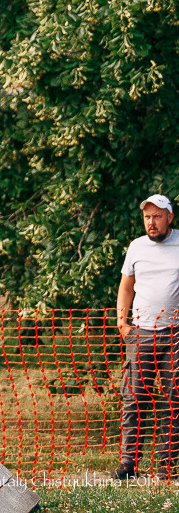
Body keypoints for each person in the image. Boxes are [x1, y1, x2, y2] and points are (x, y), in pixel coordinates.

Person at [115, 193, 179, 481]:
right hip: (140, 333)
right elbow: (126, 286)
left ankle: (167, 466)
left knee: (173, 400)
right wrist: (122, 322)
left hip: (176, 336)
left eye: (156, 216)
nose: (151, 223)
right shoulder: (136, 247)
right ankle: (128, 463)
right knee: (134, 398)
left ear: (169, 217)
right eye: (147, 217)